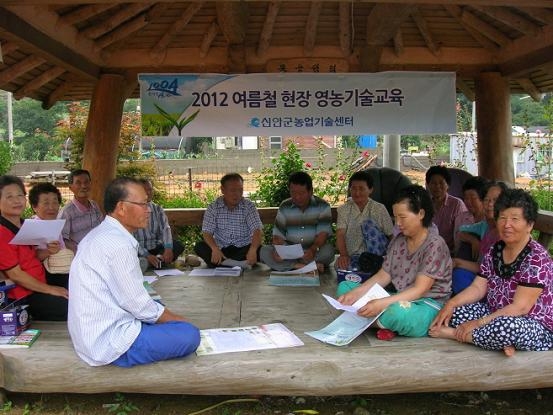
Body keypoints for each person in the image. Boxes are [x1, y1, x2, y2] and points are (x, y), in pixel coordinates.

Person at [68, 177, 200, 367]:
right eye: (143, 204)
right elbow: (138, 306)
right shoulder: (118, 245)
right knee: (189, 335)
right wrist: (180, 321)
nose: (148, 209)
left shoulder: (102, 233)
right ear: (121, 208)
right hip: (110, 342)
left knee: (156, 303)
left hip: (91, 334)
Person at [430, 189, 553, 356]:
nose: (507, 224)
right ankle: (498, 342)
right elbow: (478, 288)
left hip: (532, 324)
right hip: (495, 313)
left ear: (529, 225)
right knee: (454, 313)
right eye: (502, 218)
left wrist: (478, 323)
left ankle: (457, 335)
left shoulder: (536, 258)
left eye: (515, 219)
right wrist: (451, 304)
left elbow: (520, 307)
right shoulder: (496, 249)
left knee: (507, 328)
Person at [338, 185, 452, 338]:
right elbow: (383, 275)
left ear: (421, 213)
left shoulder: (435, 244)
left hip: (426, 305)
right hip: (399, 296)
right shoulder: (399, 241)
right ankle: (381, 322)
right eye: (395, 217)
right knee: (345, 288)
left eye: (402, 217)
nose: (398, 223)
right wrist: (357, 292)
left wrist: (382, 303)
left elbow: (419, 290)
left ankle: (370, 319)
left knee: (396, 312)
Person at [0, 175, 68, 321]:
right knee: (71, 307)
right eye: (9, 196)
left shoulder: (25, 226)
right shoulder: (2, 232)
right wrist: (51, 290)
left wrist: (48, 251)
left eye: (20, 195)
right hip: (22, 297)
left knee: (78, 288)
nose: (17, 200)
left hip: (39, 284)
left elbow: (31, 258)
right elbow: (15, 275)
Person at [260, 171, 335, 272]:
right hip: (290, 254)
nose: (297, 197)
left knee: (328, 251)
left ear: (310, 191)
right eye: (293, 193)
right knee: (264, 251)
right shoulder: (285, 206)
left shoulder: (322, 206)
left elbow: (323, 234)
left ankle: (293, 266)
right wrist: (278, 250)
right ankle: (304, 267)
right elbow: (278, 236)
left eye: (301, 193)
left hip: (313, 252)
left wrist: (313, 249)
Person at [194, 173, 262, 268]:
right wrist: (214, 249)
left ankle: (223, 263)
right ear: (223, 190)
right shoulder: (214, 207)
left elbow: (257, 230)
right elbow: (207, 232)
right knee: (200, 247)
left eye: (240, 190)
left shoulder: (249, 206)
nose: (237, 194)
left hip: (243, 248)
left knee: (260, 249)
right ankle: (239, 264)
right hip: (221, 249)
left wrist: (253, 249)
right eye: (233, 190)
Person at [452, 181, 509, 294]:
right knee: (457, 274)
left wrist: (458, 262)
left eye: (496, 200)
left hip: (498, 284)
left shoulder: (508, 231)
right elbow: (462, 230)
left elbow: (492, 271)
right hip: (481, 275)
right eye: (487, 200)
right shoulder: (485, 226)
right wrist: (473, 240)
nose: (490, 204)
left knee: (458, 273)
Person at [335, 171, 393, 271]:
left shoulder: (379, 208)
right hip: (355, 256)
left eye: (361, 189)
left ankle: (377, 265)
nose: (357, 193)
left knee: (368, 224)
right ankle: (369, 270)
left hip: (378, 256)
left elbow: (392, 234)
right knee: (343, 268)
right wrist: (343, 256)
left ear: (370, 190)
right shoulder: (344, 209)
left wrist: (394, 257)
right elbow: (340, 234)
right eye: (354, 188)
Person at [133, 178, 184, 272]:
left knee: (178, 245)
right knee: (130, 251)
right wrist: (146, 255)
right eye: (145, 190)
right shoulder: (132, 210)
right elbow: (130, 239)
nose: (148, 192)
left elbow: (165, 229)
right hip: (139, 249)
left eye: (150, 189)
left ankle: (154, 262)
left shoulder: (158, 209)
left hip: (156, 247)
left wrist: (168, 249)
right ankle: (155, 262)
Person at [29, 182, 73, 288]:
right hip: (42, 279)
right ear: (35, 207)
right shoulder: (31, 227)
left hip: (60, 272)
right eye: (46, 203)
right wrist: (48, 251)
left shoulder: (55, 224)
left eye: (55, 202)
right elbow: (30, 258)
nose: (52, 207)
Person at [58, 169, 103, 252]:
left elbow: (102, 228)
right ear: (70, 187)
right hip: (81, 256)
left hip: (99, 251)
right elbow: (63, 240)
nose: (83, 186)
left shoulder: (95, 206)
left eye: (86, 182)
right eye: (78, 183)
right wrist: (81, 251)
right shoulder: (66, 212)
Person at [425, 165, 468, 253]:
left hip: (448, 252)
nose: (437, 186)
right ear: (428, 185)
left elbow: (462, 232)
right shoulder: (423, 204)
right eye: (433, 183)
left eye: (441, 183)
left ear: (448, 185)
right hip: (426, 250)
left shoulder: (457, 204)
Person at [454, 175, 488, 256]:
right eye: (466, 198)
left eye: (473, 198)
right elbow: (457, 244)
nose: (468, 202)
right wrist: (472, 240)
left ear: (483, 198)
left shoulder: (489, 219)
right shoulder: (461, 218)